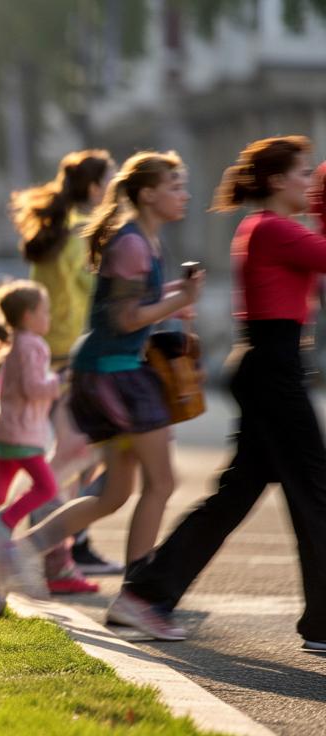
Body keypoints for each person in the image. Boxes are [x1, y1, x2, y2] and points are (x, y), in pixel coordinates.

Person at [115, 138, 326, 649]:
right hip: (271, 369)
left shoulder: (274, 229)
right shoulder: (272, 229)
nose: (308, 183)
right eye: (302, 174)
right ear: (276, 181)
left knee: (238, 494)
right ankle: (323, 623)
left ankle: (145, 593)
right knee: (316, 491)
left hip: (272, 366)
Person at [0, 151, 204, 603]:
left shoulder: (144, 240)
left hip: (109, 372)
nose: (184, 195)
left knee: (115, 493)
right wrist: (177, 300)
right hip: (114, 377)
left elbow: (128, 307)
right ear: (148, 194)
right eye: (175, 186)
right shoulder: (131, 244)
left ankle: (15, 554)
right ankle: (138, 598)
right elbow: (126, 319)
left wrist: (174, 296)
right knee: (160, 483)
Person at [10, 150, 120, 590]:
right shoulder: (79, 233)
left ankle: (68, 540)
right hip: (72, 353)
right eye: (110, 182)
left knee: (76, 450)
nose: (114, 191)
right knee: (83, 452)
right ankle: (53, 535)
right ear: (94, 189)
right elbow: (95, 293)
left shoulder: (51, 230)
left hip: (48, 350)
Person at [0, 282, 65, 564]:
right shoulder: (32, 345)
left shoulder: (16, 343)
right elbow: (34, 388)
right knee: (46, 488)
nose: (49, 317)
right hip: (24, 435)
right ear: (27, 316)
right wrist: (59, 381)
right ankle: (3, 524)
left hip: (7, 431)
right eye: (44, 312)